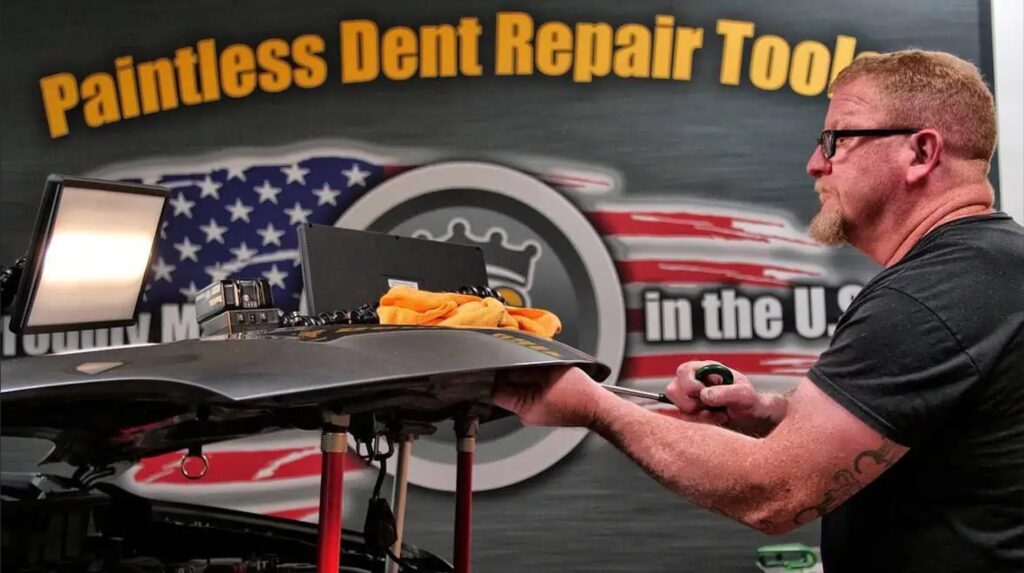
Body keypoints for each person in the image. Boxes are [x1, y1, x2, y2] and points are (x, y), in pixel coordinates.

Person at [493, 49, 1024, 572]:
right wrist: (769, 413)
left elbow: (773, 492)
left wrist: (593, 406)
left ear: (920, 152)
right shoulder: (990, 269)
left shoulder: (931, 296)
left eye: (838, 139)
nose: (816, 162)